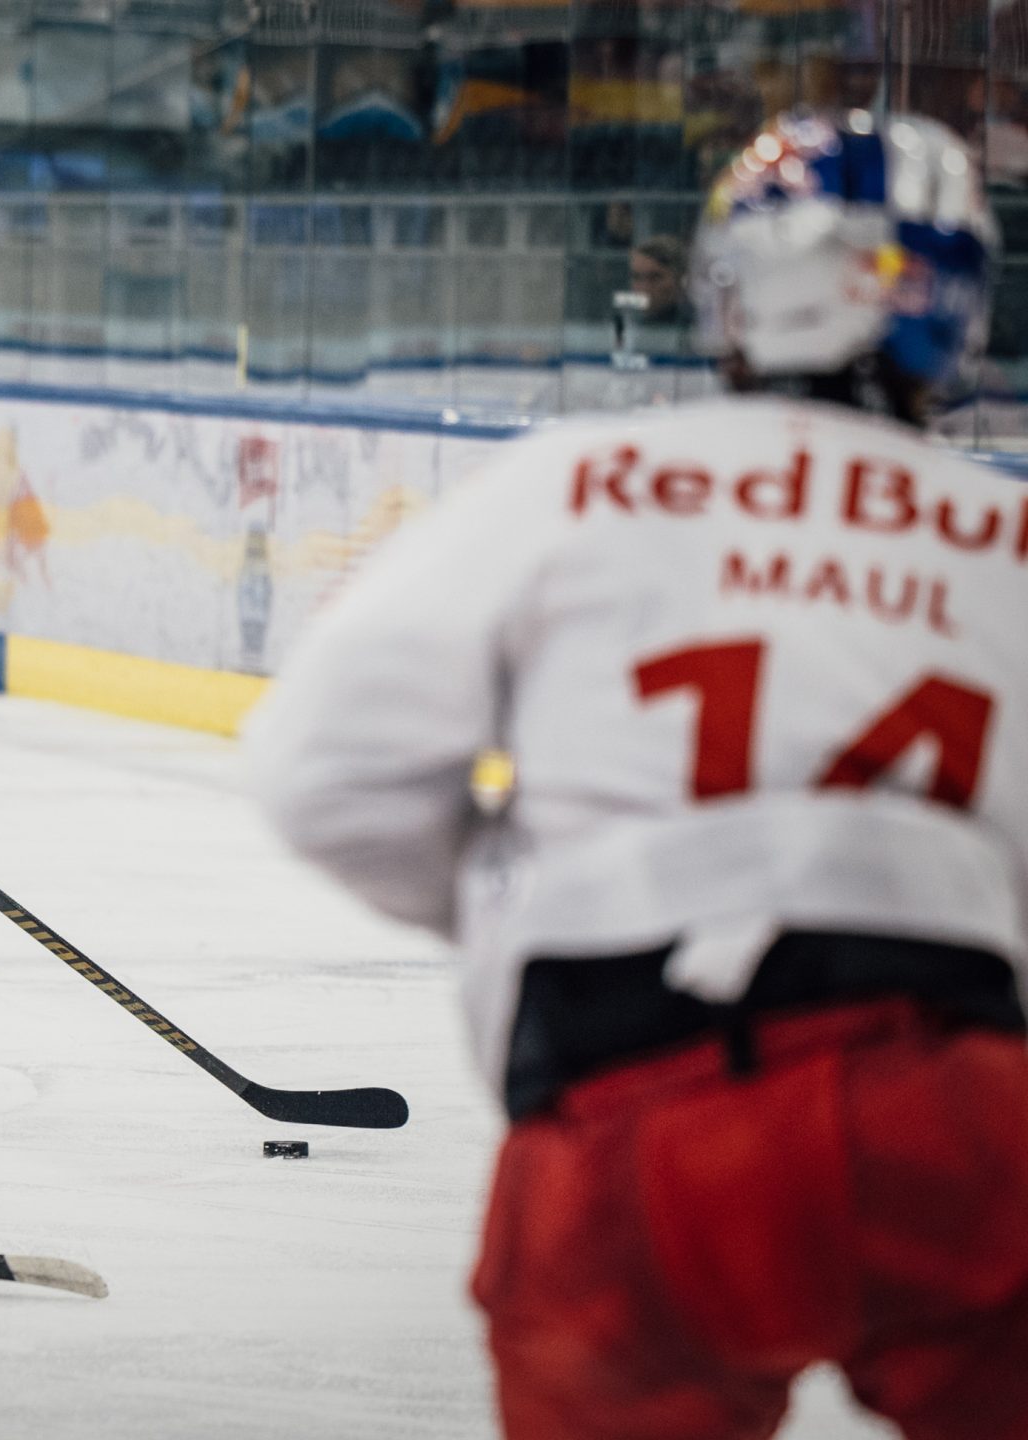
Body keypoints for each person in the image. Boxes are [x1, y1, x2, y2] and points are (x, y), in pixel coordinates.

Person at [246, 110, 1027, 1440]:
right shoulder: (1008, 540)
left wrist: (555, 898)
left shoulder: (580, 481)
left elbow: (322, 769)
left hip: (632, 1110)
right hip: (954, 1113)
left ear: (735, 292)